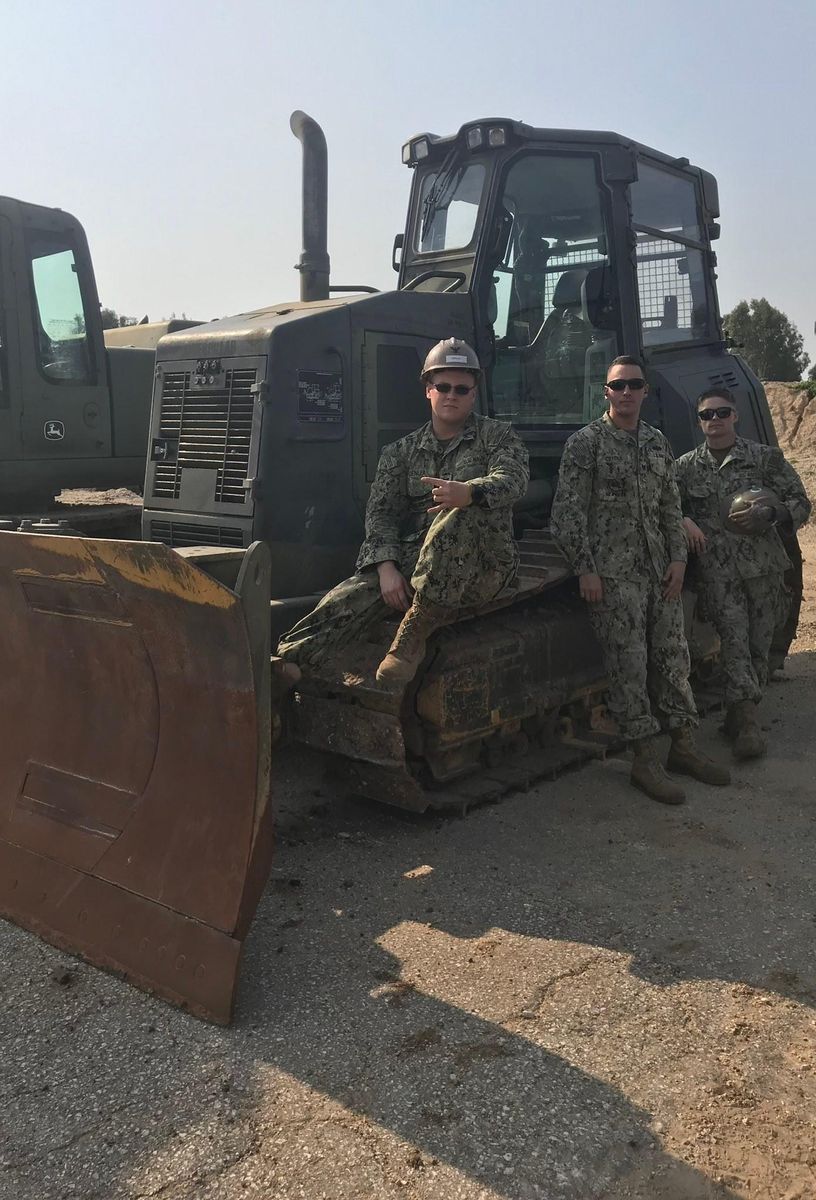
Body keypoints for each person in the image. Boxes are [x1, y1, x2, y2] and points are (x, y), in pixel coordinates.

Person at [277, 337, 529, 686]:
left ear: (473, 393)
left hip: (482, 563)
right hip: (416, 561)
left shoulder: (498, 437)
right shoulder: (401, 452)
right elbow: (381, 513)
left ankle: (414, 634)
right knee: (347, 598)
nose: (451, 395)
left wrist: (470, 492)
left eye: (461, 388)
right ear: (428, 390)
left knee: (458, 511)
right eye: (443, 386)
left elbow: (513, 479)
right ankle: (286, 664)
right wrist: (386, 568)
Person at [550, 355, 730, 804]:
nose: (626, 392)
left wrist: (678, 561)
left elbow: (670, 507)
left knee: (674, 661)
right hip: (613, 578)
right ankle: (644, 761)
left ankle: (683, 748)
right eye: (618, 385)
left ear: (645, 391)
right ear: (606, 392)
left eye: (634, 385)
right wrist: (586, 569)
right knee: (628, 668)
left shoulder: (656, 443)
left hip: (659, 574)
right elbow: (567, 515)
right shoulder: (585, 444)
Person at [676, 387, 811, 759]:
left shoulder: (764, 459)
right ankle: (748, 724)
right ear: (699, 421)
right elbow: (665, 503)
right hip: (718, 573)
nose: (714, 421)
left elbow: (801, 501)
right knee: (734, 641)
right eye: (707, 415)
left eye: (722, 413)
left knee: (758, 644)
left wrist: (774, 514)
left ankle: (738, 713)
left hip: (764, 569)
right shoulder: (686, 467)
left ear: (735, 415)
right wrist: (685, 519)